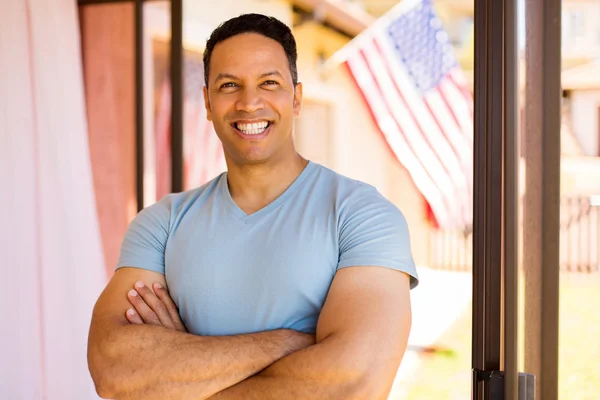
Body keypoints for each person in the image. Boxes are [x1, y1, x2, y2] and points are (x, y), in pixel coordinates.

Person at [87, 12, 419, 400]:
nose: (249, 102)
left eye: (269, 82)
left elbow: (353, 382)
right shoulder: (161, 223)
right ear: (208, 102)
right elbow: (113, 369)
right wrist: (288, 342)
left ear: (295, 98)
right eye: (229, 85)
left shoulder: (362, 215)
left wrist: (176, 378)